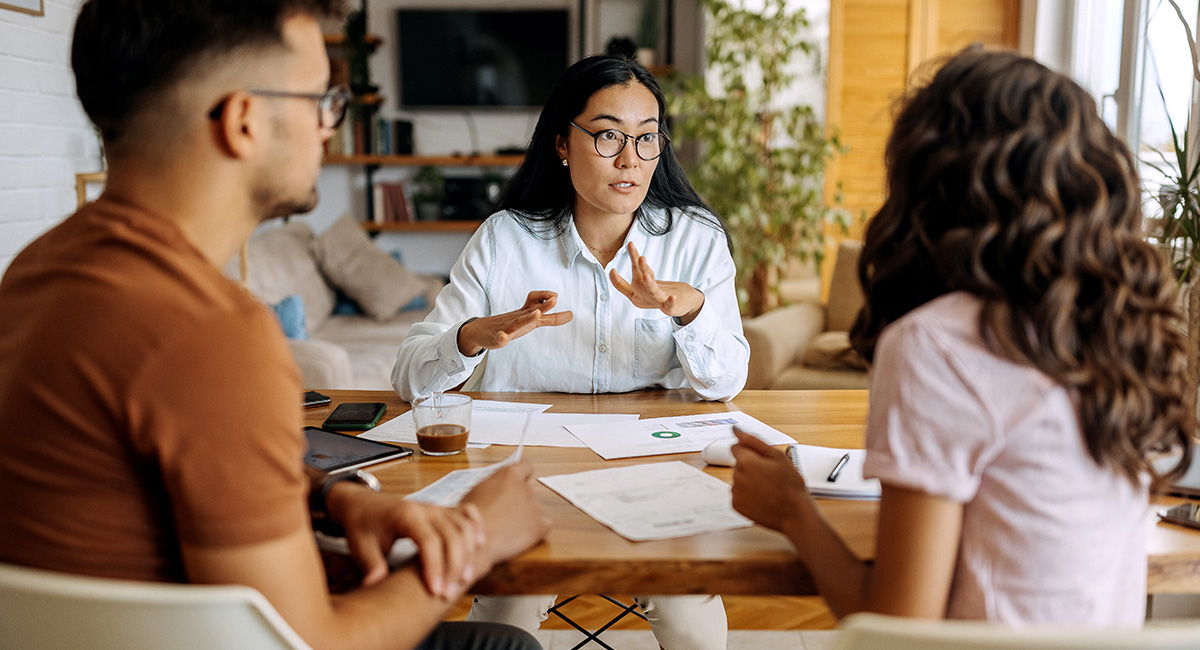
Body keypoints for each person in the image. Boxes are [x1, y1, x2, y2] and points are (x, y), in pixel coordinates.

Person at [0, 2, 549, 650]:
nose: (328, 130)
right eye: (321, 101)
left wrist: (332, 497)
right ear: (243, 121)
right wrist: (481, 537)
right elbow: (314, 646)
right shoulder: (209, 333)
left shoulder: (35, 270)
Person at [730, 46, 1194, 626]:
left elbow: (898, 630)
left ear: (933, 180)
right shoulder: (1114, 328)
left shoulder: (937, 344)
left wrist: (793, 510)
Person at [392, 55, 749, 649]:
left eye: (646, 138)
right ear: (562, 143)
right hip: (528, 473)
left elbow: (725, 383)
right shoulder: (505, 238)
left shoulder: (696, 238)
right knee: (506, 608)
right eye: (608, 135)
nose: (630, 159)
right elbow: (409, 379)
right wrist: (474, 336)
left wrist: (688, 309)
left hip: (654, 473)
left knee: (689, 618)